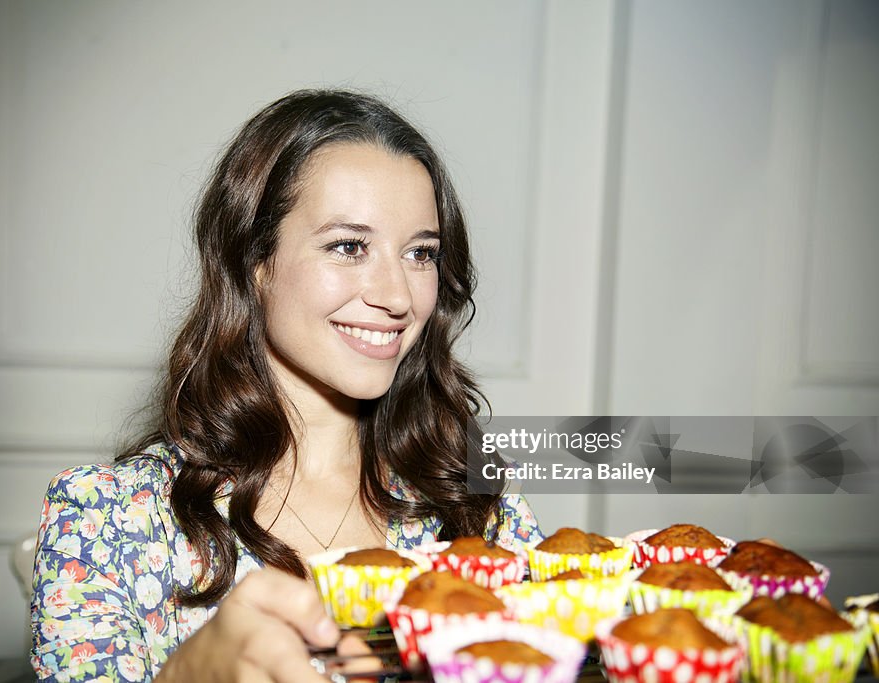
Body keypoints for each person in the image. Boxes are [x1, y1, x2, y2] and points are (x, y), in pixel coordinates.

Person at [30, 89, 542, 682]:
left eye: (420, 253)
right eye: (348, 247)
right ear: (255, 261)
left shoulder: (478, 507)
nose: (398, 296)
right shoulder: (107, 518)